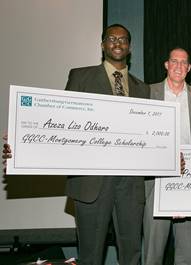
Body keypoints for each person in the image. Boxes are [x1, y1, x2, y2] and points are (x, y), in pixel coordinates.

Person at [3, 24, 149, 265]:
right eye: (111, 38)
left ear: (130, 47)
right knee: (90, 255)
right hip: (90, 183)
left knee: (132, 254)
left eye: (123, 39)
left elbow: (150, 137)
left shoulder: (142, 88)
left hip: (130, 186)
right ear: (102, 45)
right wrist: (23, 143)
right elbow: (60, 122)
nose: (117, 43)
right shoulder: (80, 76)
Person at [143, 47, 191, 265]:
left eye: (184, 63)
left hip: (187, 180)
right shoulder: (146, 92)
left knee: (186, 249)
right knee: (153, 248)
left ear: (189, 68)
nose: (179, 66)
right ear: (166, 64)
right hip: (155, 180)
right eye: (175, 61)